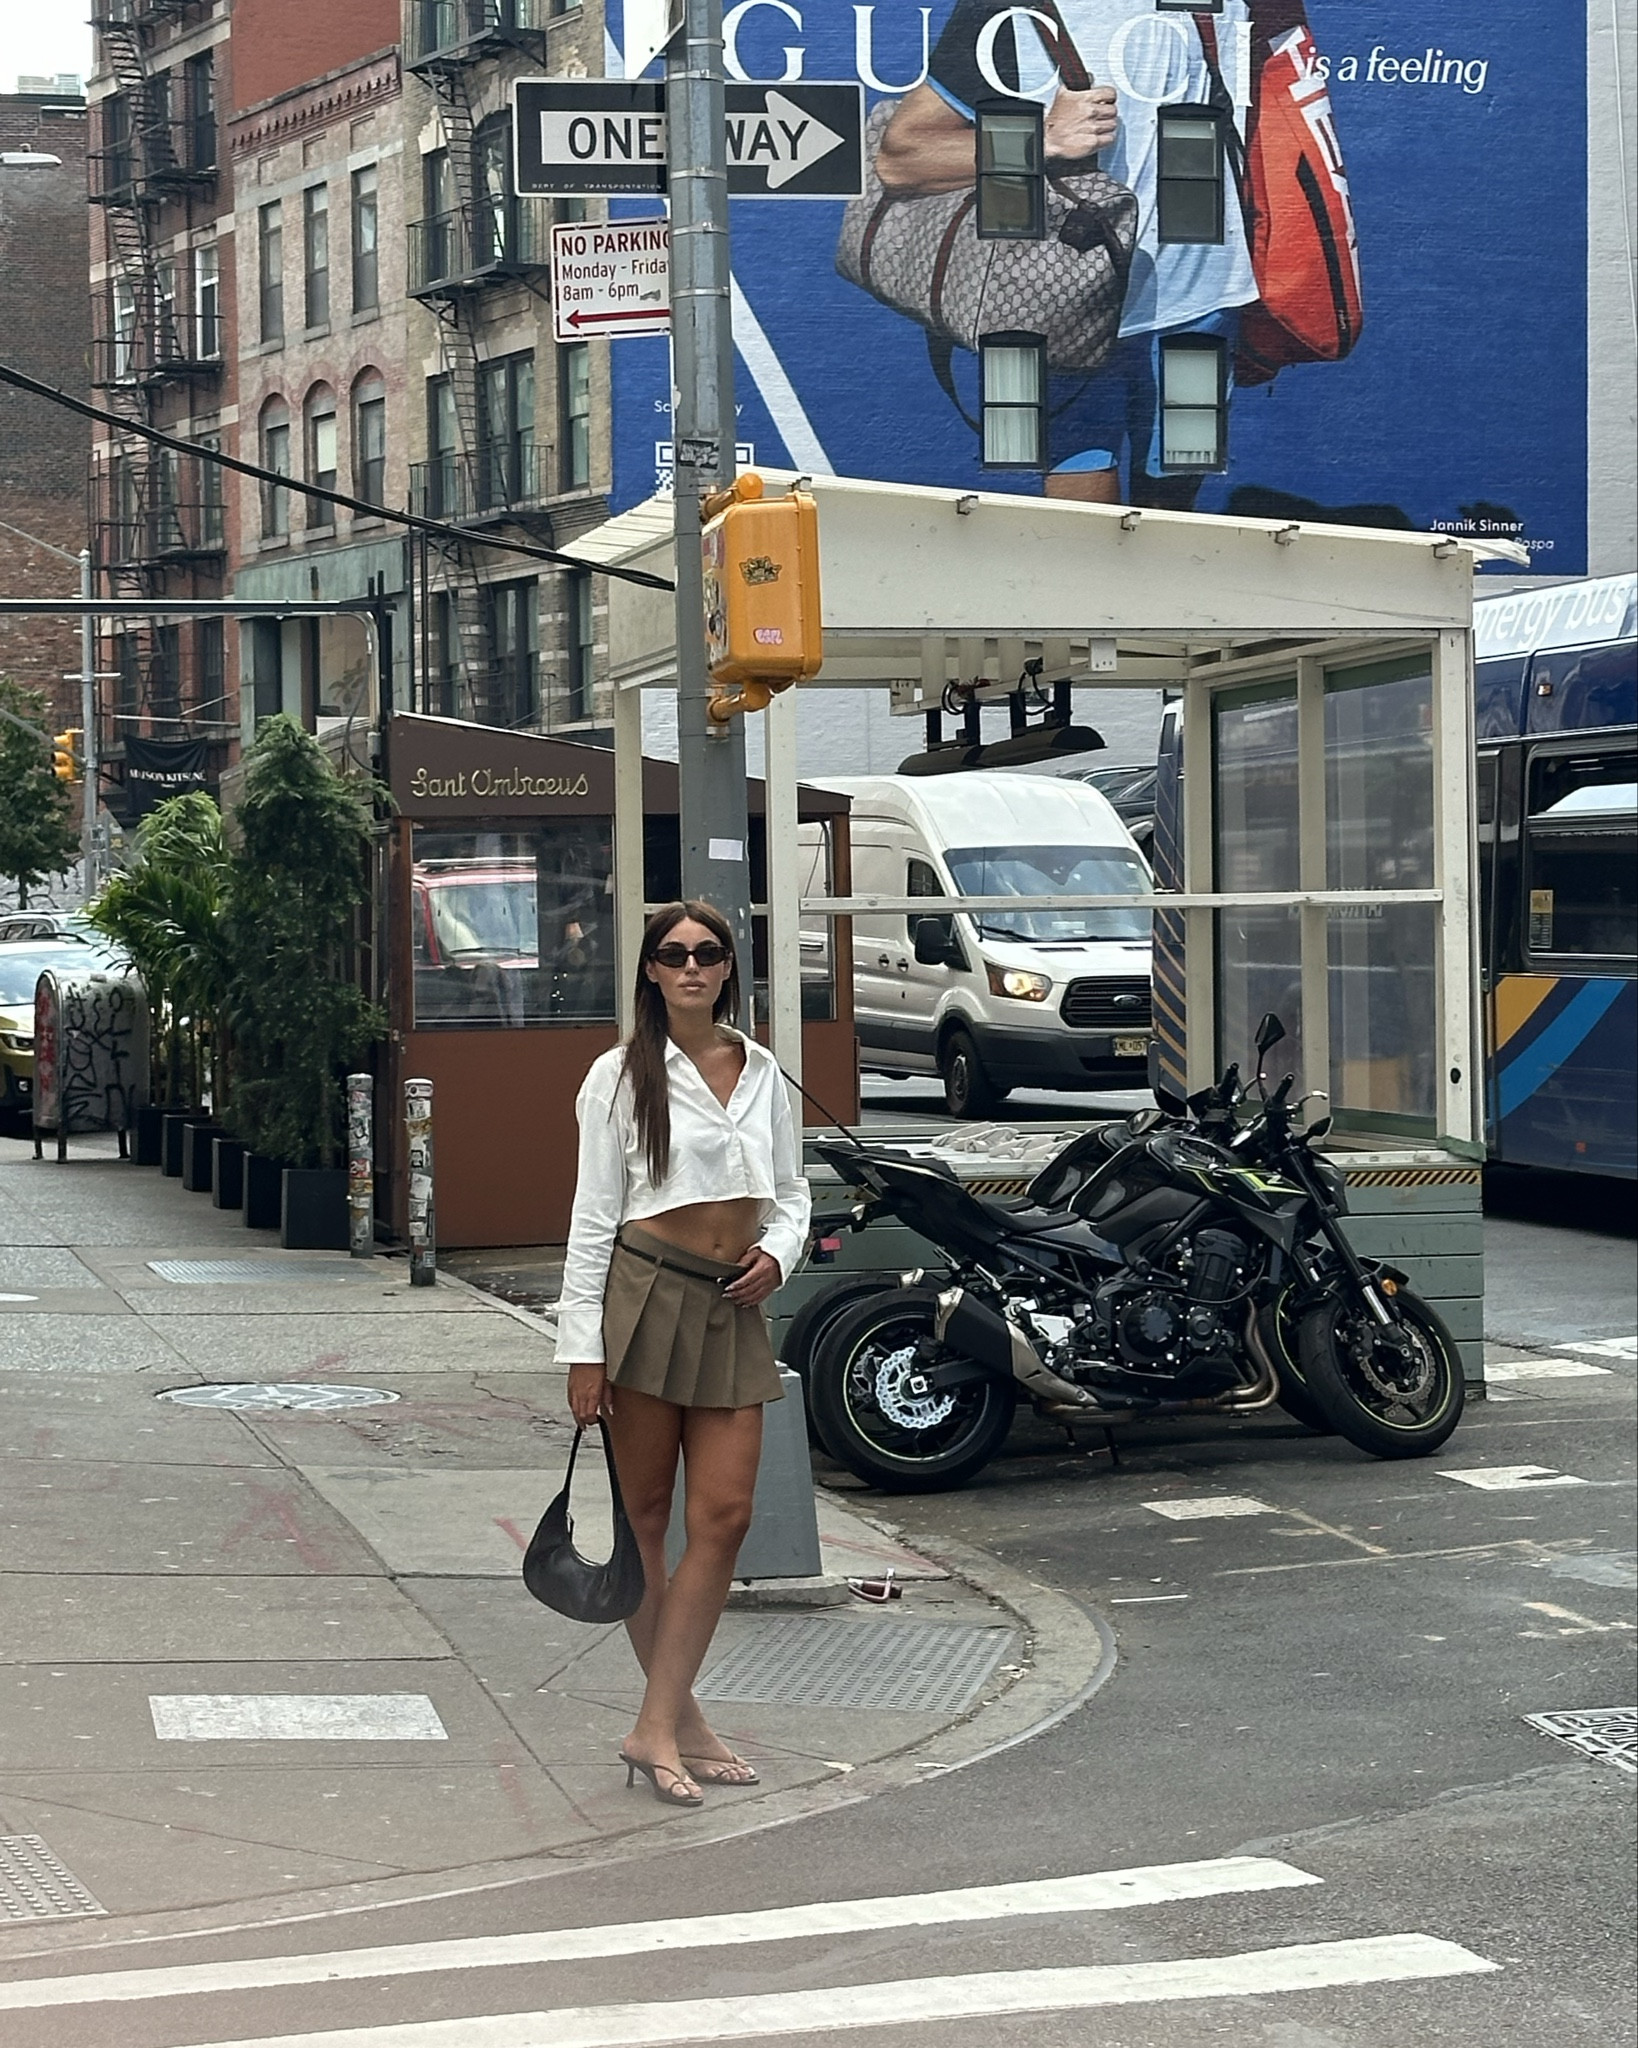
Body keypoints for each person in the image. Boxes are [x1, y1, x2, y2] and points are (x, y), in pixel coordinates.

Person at [556, 900, 811, 1808]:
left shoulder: (763, 1070)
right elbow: (592, 1220)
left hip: (732, 1305)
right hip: (646, 1297)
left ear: (729, 967)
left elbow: (791, 1191)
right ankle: (674, 1723)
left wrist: (778, 1253)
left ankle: (658, 1721)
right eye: (675, 955)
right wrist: (581, 1350)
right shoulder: (618, 1077)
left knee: (727, 1517)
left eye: (709, 953)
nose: (693, 967)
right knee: (647, 1520)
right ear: (652, 973)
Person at [876, 0, 1258, 506]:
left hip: (1200, 302)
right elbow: (900, 158)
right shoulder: (1008, 11)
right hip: (1059, 300)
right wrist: (1044, 138)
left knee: (1178, 498)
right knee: (1079, 493)